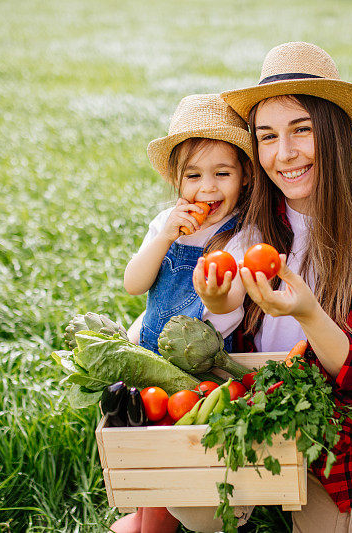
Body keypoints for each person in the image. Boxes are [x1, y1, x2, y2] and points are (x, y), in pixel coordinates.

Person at [172, 42, 352, 533]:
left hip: (337, 433)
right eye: (266, 137)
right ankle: (247, 497)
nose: (284, 155)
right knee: (197, 510)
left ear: (335, 134)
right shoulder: (247, 226)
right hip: (251, 413)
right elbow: (210, 354)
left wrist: (309, 313)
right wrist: (219, 307)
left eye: (301, 130)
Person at [112, 93, 253, 533]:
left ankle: (188, 513)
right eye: (193, 175)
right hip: (152, 360)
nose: (207, 188)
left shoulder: (243, 234)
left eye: (222, 174)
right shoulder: (166, 223)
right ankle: (149, 516)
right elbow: (134, 284)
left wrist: (214, 296)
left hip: (202, 373)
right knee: (150, 449)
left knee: (187, 453)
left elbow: (231, 309)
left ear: (244, 177)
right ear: (177, 179)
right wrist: (162, 240)